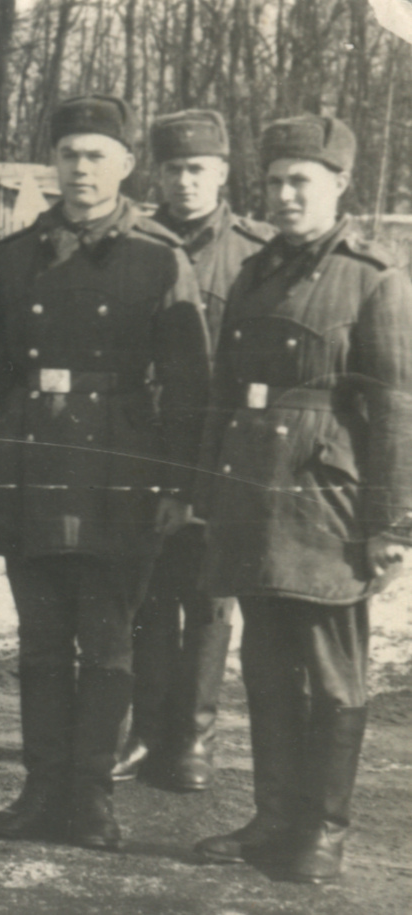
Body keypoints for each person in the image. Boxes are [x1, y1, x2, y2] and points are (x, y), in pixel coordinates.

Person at [0, 95, 209, 850]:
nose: (81, 169)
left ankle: (93, 795)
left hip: (117, 468)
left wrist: (179, 485)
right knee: (39, 640)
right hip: (31, 461)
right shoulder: (15, 256)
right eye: (68, 154)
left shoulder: (160, 257)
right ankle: (41, 789)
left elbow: (188, 387)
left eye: (97, 155)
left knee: (106, 643)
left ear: (127, 164)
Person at [193, 115, 412, 884]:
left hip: (328, 501)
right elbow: (224, 389)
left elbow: (397, 407)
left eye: (302, 182)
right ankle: (274, 816)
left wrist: (394, 523)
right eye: (276, 181)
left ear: (340, 185)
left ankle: (323, 831)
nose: (285, 195)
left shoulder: (374, 276)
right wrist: (207, 489)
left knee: (331, 675)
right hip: (255, 491)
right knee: (266, 664)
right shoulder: (257, 270)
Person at [114, 110, 275, 791]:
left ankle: (194, 738)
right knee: (147, 592)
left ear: (223, 173)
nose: (184, 181)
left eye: (198, 169)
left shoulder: (255, 253)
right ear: (156, 174)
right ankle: (146, 731)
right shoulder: (132, 242)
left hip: (223, 446)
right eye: (173, 169)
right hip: (147, 443)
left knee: (210, 599)